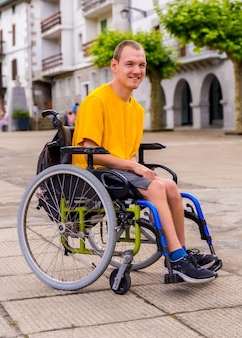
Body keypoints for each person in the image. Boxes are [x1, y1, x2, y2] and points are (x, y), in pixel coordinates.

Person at [72, 40, 219, 283]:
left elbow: (128, 152)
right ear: (114, 66)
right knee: (158, 187)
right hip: (94, 174)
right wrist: (133, 167)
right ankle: (176, 258)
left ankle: (180, 255)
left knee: (170, 186)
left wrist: (135, 168)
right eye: (129, 64)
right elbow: (91, 153)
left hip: (119, 172)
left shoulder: (136, 110)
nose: (136, 70)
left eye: (142, 65)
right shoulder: (96, 100)